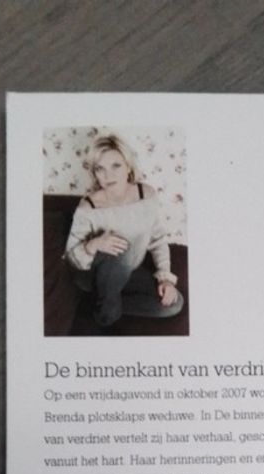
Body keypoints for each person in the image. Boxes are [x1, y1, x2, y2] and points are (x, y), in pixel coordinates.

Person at [64, 133, 184, 328]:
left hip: (128, 272)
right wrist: (94, 244)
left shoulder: (146, 195)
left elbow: (158, 240)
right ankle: (105, 315)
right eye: (100, 169)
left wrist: (166, 279)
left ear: (128, 166)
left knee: (174, 303)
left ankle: (100, 301)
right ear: (94, 173)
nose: (108, 175)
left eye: (116, 166)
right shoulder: (88, 207)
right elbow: (72, 257)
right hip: (91, 274)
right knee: (122, 247)